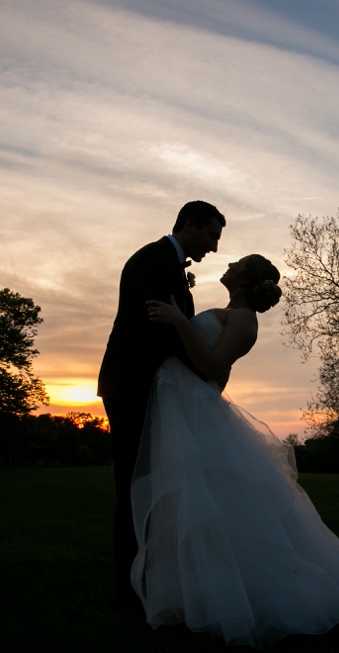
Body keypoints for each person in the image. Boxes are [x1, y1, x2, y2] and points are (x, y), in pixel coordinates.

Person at [133, 254, 339, 648]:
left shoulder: (245, 321)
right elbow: (218, 377)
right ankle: (205, 590)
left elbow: (211, 365)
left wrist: (180, 322)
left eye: (237, 262)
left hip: (195, 414)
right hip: (187, 408)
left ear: (244, 279)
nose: (230, 262)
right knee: (199, 505)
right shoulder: (230, 313)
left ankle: (259, 596)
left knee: (219, 507)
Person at [97, 200, 225, 611]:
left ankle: (148, 578)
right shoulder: (152, 260)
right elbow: (162, 327)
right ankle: (129, 590)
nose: (215, 247)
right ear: (189, 225)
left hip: (151, 387)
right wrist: (208, 370)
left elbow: (175, 325)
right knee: (134, 487)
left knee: (151, 485)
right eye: (212, 235)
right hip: (131, 386)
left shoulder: (171, 265)